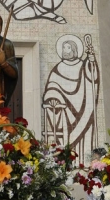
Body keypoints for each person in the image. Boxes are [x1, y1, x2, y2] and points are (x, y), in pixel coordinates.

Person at [42, 36, 99, 164]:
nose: (65, 50)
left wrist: (91, 62)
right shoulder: (58, 68)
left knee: (84, 134)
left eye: (68, 48)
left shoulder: (83, 65)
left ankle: (84, 163)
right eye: (63, 48)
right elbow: (52, 86)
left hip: (82, 109)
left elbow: (92, 78)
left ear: (74, 49)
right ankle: (65, 161)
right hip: (64, 111)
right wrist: (52, 97)